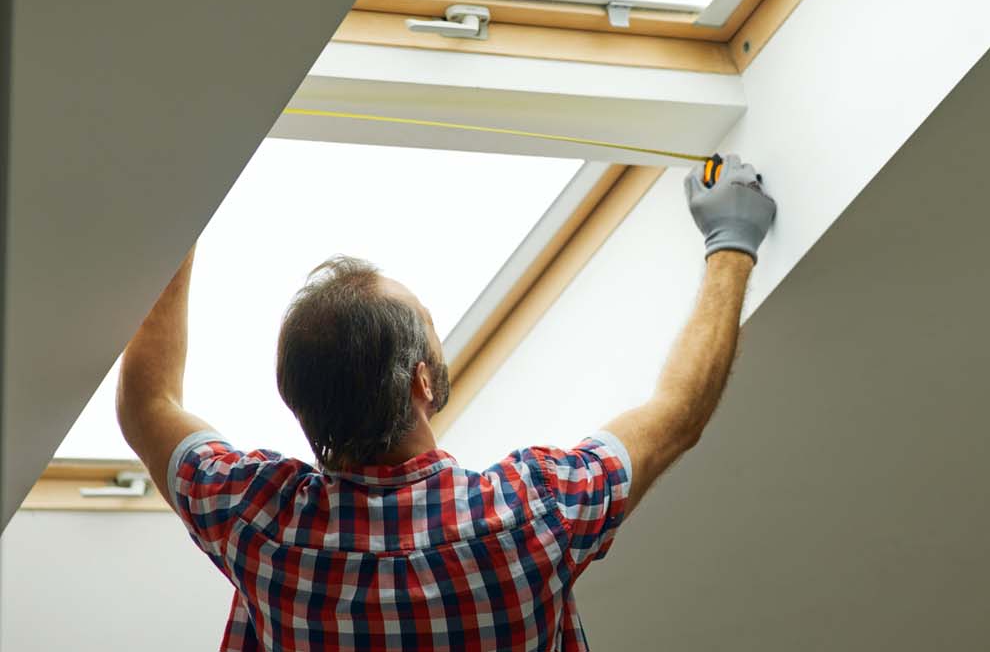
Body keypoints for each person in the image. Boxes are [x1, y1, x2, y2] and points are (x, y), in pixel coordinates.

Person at [116, 155, 776, 651]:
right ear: (421, 384)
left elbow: (147, 400)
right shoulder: (530, 514)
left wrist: (187, 197)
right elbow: (677, 410)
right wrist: (732, 241)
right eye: (430, 322)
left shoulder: (260, 523)